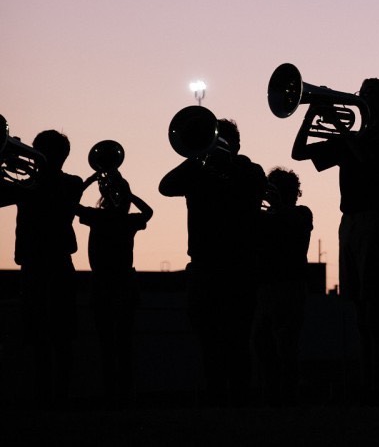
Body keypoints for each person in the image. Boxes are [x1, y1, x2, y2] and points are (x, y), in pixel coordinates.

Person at [290, 78, 379, 403]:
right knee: (358, 307)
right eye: (361, 95)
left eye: (368, 97)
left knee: (374, 308)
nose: (361, 100)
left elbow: (366, 158)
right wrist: (311, 114)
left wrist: (337, 124)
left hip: (374, 221)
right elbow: (299, 153)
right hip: (349, 222)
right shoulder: (352, 137)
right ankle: (368, 381)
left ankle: (377, 383)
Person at [159, 118, 266, 405]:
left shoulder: (249, 170)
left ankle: (240, 399)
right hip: (205, 265)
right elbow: (165, 187)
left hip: (238, 266)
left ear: (238, 145)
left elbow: (256, 187)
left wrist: (225, 163)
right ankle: (217, 398)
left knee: (239, 337)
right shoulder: (198, 170)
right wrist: (196, 157)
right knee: (209, 338)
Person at [0, 130, 83, 406]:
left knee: (59, 334)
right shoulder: (28, 183)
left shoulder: (70, 182)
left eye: (36, 149)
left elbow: (50, 189)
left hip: (52, 261)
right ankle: (47, 395)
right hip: (39, 261)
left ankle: (56, 396)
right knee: (40, 333)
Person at [76, 161, 154, 403]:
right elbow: (149, 212)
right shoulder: (128, 219)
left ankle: (112, 395)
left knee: (107, 344)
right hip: (124, 281)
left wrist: (89, 182)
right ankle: (124, 396)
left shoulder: (98, 216)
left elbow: (72, 205)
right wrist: (129, 194)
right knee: (123, 343)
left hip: (102, 282)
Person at [252, 167, 313, 406]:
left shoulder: (302, 214)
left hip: (290, 287)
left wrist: (277, 206)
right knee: (263, 346)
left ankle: (287, 398)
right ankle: (271, 397)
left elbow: (295, 225)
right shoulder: (265, 216)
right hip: (267, 287)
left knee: (286, 347)